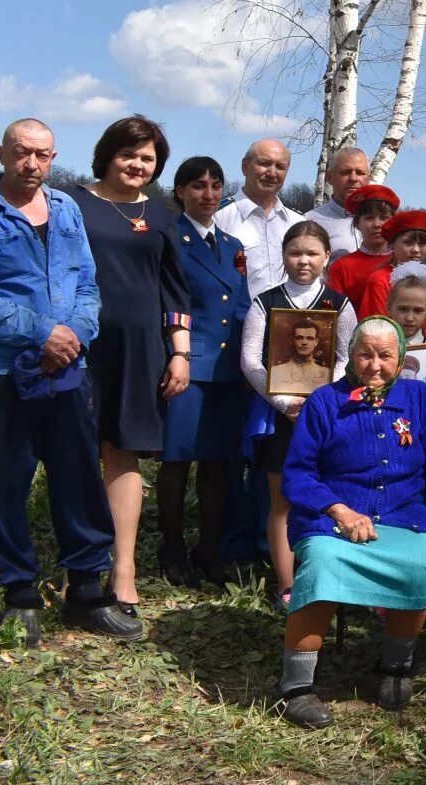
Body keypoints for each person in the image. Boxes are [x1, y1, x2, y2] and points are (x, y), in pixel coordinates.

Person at [0, 118, 139, 643]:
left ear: (54, 158)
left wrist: (73, 336)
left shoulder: (66, 209)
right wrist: (42, 335)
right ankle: (20, 594)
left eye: (43, 155)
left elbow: (86, 285)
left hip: (69, 370)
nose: (32, 165)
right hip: (3, 372)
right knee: (8, 482)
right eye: (22, 153)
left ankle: (85, 590)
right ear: (2, 152)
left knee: (78, 479)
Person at [273, 316, 426, 727]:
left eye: (385, 355)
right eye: (365, 354)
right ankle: (296, 687)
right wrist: (340, 511)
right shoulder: (324, 402)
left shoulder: (418, 398)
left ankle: (394, 667)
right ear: (351, 355)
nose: (374, 364)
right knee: (323, 562)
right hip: (333, 518)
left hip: (405, 516)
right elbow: (298, 474)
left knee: (417, 563)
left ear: (400, 358)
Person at [70, 115, 192, 616]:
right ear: (107, 154)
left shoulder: (162, 217)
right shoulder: (70, 204)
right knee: (74, 456)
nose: (138, 165)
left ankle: (123, 571)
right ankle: (79, 569)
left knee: (123, 456)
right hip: (76, 347)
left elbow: (175, 289)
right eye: (129, 154)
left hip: (142, 352)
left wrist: (180, 352)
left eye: (148, 158)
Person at [240, 220, 358, 613]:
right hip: (279, 418)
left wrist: (317, 404)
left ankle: (322, 578)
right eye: (295, 253)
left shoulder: (339, 305)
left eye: (311, 253)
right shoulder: (265, 301)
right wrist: (286, 403)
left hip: (326, 417)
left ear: (326, 257)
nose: (303, 260)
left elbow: (347, 358)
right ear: (284, 256)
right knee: (283, 502)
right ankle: (287, 585)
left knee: (326, 499)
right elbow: (251, 361)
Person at [160, 155, 253, 587]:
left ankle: (210, 550)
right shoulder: (169, 236)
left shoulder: (234, 247)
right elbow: (165, 301)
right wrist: (173, 355)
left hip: (228, 368)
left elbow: (240, 307)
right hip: (186, 366)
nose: (209, 194)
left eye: (216, 185)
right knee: (177, 461)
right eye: (198, 185)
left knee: (217, 465)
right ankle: (172, 549)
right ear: (180, 191)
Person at [215, 139, 300, 296]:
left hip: (287, 318)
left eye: (280, 167)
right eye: (264, 163)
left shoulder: (298, 222)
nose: (272, 173)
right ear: (245, 166)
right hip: (238, 318)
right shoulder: (217, 217)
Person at [357, 210, 426, 337]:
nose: (416, 250)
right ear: (392, 244)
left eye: (422, 243)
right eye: (408, 242)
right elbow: (373, 327)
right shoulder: (380, 280)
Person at [322, 182, 398, 303]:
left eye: (384, 217)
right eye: (369, 218)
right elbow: (333, 312)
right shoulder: (342, 267)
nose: (377, 224)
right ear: (357, 223)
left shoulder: (403, 261)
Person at [302, 146, 370, 257]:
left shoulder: (385, 222)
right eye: (345, 172)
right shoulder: (310, 222)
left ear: (369, 179)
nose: (353, 178)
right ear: (329, 177)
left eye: (360, 173)